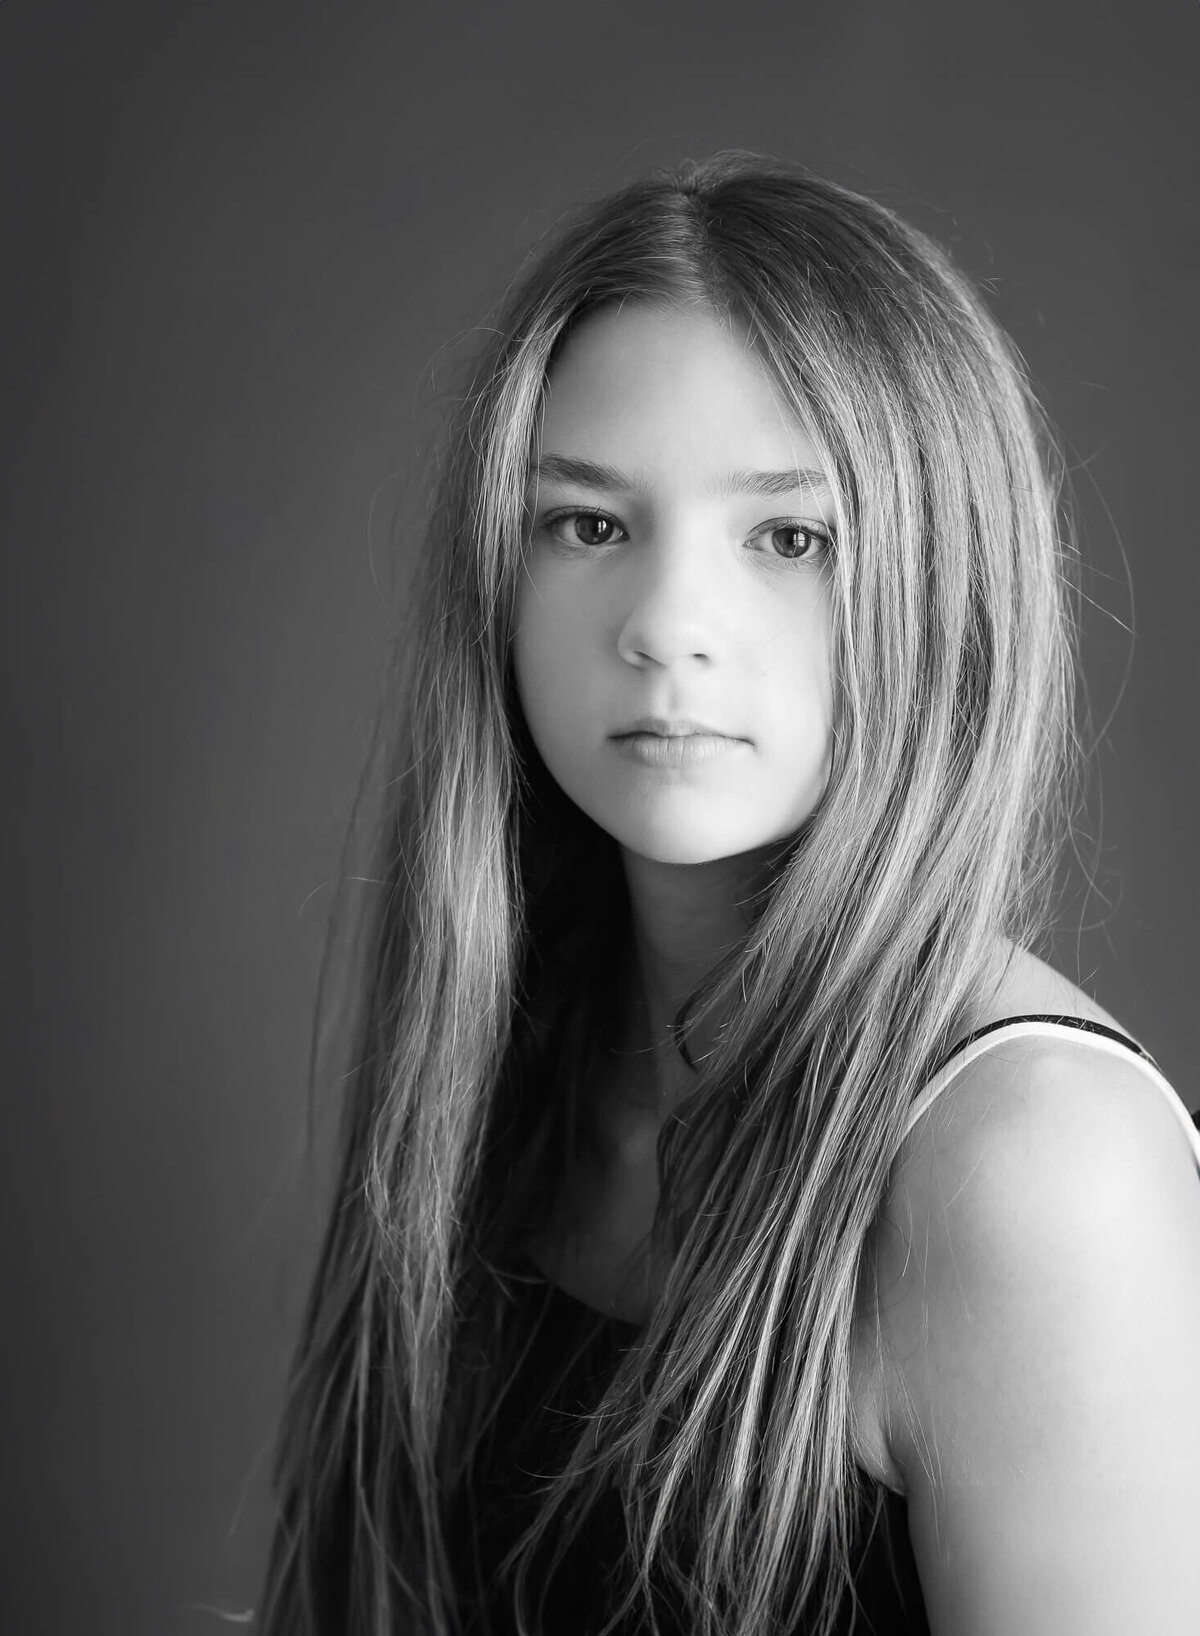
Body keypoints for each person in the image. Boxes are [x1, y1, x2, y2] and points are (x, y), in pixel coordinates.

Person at [256, 154, 1200, 1635]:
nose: (668, 627)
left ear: (945, 578)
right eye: (588, 523)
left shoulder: (1034, 1172)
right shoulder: (520, 1030)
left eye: (790, 538)